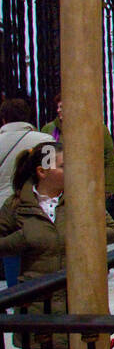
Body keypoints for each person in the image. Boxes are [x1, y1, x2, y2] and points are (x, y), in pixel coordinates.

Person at [0, 141, 114, 349]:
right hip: (42, 298)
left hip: (79, 292)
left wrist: (84, 234)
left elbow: (111, 230)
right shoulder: (17, 205)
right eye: (65, 166)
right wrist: (21, 239)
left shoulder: (81, 198)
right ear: (42, 171)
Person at [1, 97, 51, 286]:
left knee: (11, 253)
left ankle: (14, 297)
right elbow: (51, 174)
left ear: (4, 119)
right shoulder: (44, 141)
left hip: (3, 209)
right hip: (36, 207)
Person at [41, 93, 114, 198]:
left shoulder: (98, 128)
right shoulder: (49, 129)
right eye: (58, 107)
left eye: (62, 107)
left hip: (89, 186)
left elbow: (109, 159)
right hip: (58, 189)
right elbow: (46, 162)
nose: (58, 110)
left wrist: (108, 188)